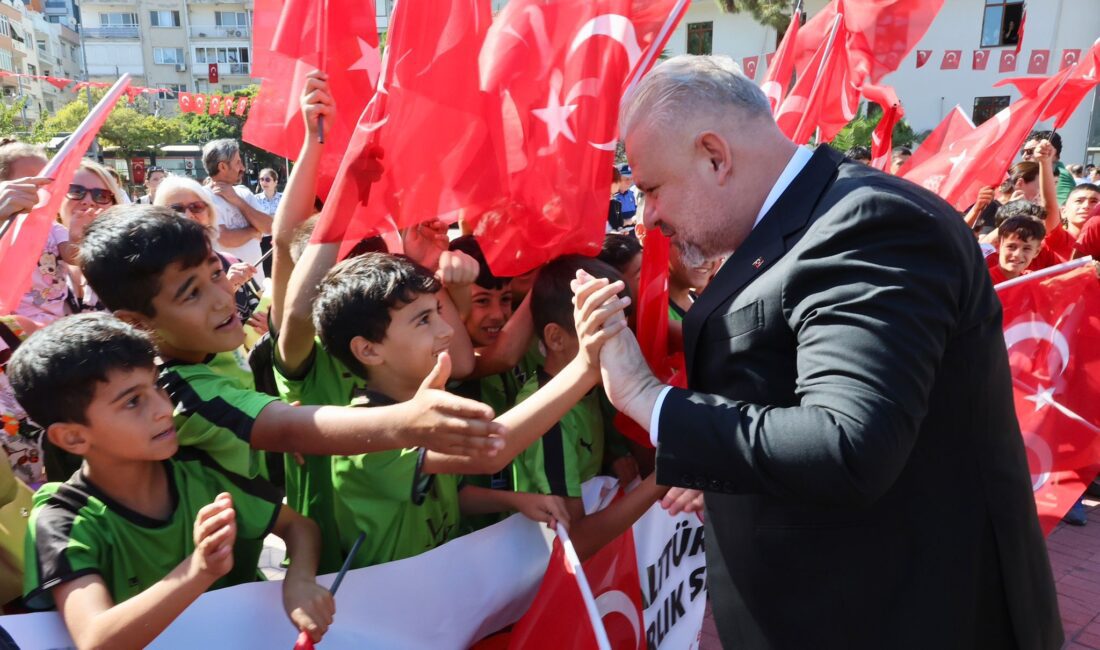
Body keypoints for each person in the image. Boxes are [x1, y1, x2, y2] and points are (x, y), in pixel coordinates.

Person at [575, 54, 1061, 648]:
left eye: (651, 188)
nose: (648, 215)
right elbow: (781, 366)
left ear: (714, 155)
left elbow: (849, 443)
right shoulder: (810, 218)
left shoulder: (870, 224)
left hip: (899, 616)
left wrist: (650, 400)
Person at [9, 313, 335, 648]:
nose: (163, 408)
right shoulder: (62, 519)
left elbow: (299, 527)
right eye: (133, 401)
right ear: (73, 438)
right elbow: (96, 640)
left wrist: (299, 581)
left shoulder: (198, 470)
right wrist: (199, 570)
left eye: (157, 386)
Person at [514, 255, 659, 561]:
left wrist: (611, 457)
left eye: (624, 329)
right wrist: (664, 478)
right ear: (556, 338)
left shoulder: (591, 388)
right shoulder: (547, 419)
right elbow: (573, 541)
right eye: (608, 330)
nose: (625, 344)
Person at [201, 139, 271, 279]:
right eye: (238, 162)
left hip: (258, 285)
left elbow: (269, 227)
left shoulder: (243, 193)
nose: (243, 168)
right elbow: (226, 239)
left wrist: (238, 201)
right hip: (229, 287)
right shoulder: (203, 197)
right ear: (222, 167)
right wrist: (253, 230)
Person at [1021, 130, 1076, 205]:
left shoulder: (1061, 175)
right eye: (1022, 152)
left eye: (1030, 151)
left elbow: (1060, 209)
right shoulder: (1034, 173)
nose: (1024, 156)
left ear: (1051, 151)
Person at [988, 215, 1045, 284]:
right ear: (998, 246)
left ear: (1036, 252)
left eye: (1026, 248)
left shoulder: (1033, 281)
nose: (1017, 254)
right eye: (1011, 246)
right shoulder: (982, 281)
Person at [254, 167, 282, 277]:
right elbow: (255, 219)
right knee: (266, 271)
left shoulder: (284, 197)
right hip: (263, 240)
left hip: (280, 238)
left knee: (280, 270)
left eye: (267, 179)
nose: (263, 182)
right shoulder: (255, 199)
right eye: (261, 179)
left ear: (275, 182)